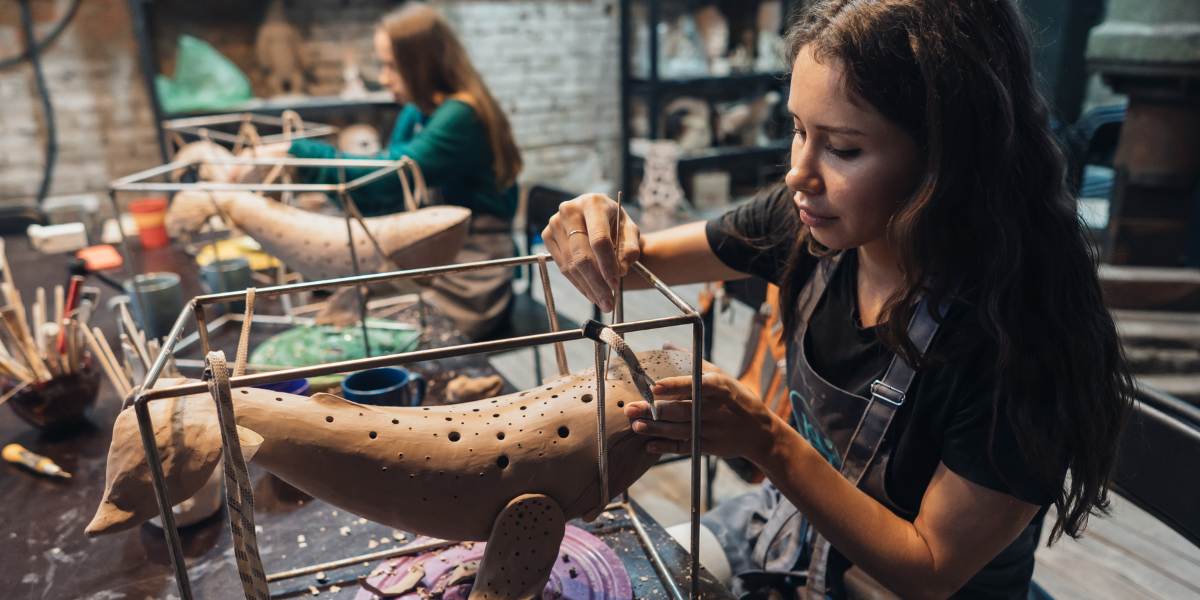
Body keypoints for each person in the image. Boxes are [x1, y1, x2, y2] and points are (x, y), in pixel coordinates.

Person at [542, 1, 1133, 598]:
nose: (799, 172)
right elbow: (638, 261)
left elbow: (930, 569)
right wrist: (595, 231)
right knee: (602, 581)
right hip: (789, 532)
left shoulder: (1020, 341)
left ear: (948, 157)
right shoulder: (807, 224)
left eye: (843, 149)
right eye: (799, 129)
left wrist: (764, 439)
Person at [283, 3, 522, 339]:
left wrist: (295, 152)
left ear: (421, 64)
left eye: (391, 66)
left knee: (383, 334)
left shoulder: (461, 116)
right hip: (432, 258)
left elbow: (386, 181)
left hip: (471, 273)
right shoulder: (417, 112)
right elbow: (388, 193)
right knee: (348, 311)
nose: (383, 78)